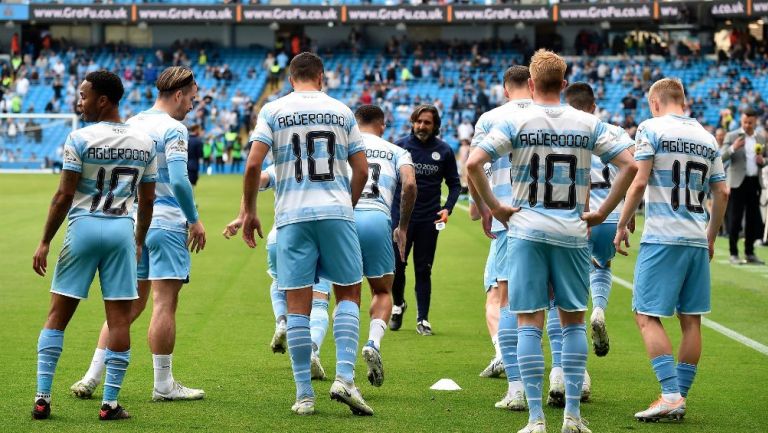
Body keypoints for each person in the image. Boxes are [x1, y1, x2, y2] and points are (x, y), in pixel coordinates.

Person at [467, 49, 637, 433]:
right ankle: (573, 417)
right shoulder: (587, 122)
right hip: (572, 231)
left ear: (530, 84)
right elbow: (629, 163)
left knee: (528, 322)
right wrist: (602, 211)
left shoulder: (516, 120)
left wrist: (495, 206)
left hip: (526, 231)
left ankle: (535, 419)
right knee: (573, 322)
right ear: (563, 83)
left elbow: (473, 163)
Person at [239, 52, 371, 416]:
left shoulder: (273, 110)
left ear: (290, 77)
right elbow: (361, 169)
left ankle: (304, 396)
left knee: (296, 306)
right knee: (348, 294)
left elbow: (253, 164)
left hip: (292, 218)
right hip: (336, 212)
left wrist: (249, 210)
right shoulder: (342, 111)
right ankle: (344, 378)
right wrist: (348, 203)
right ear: (322, 76)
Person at [69, 66, 207, 402]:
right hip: (167, 222)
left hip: (131, 224)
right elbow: (177, 179)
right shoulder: (174, 129)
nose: (192, 105)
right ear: (178, 95)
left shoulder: (133, 123)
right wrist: (195, 220)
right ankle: (163, 384)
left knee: (127, 306)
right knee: (164, 303)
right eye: (191, 98)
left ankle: (90, 377)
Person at [31, 70, 157, 421]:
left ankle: (42, 397)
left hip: (83, 227)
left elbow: (63, 196)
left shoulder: (80, 138)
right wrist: (138, 241)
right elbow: (147, 202)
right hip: (120, 229)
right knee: (118, 321)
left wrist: (44, 241)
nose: (79, 101)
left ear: (103, 100)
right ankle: (110, 404)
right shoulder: (146, 143)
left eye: (84, 95)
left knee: (58, 315)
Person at [614, 78, 729, 422]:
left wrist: (622, 222)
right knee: (690, 321)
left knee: (645, 314)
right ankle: (677, 396)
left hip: (663, 235)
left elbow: (638, 180)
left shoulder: (651, 128)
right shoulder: (708, 138)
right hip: (696, 236)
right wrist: (710, 236)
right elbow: (722, 193)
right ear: (683, 99)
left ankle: (669, 394)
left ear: (655, 102)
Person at [223, 165, 332, 379]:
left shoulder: (283, 161)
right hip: (319, 235)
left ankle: (282, 322)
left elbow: (256, 178)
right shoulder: (333, 162)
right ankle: (311, 349)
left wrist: (242, 215)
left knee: (279, 282)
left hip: (280, 235)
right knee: (319, 300)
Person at [467, 66, 532, 414]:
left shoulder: (491, 118)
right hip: (551, 218)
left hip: (509, 216)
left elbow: (474, 166)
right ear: (533, 85)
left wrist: (485, 207)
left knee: (505, 299)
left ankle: (517, 388)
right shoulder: (550, 113)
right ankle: (571, 378)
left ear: (506, 89)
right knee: (558, 303)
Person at [564, 82, 636, 357]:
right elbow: (635, 169)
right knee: (602, 266)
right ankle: (599, 309)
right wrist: (627, 214)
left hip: (574, 216)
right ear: (594, 106)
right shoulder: (615, 132)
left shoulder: (563, 132)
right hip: (609, 214)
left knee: (569, 285)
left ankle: (574, 367)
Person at [353, 104, 417, 387]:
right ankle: (373, 342)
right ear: (383, 125)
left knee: (344, 291)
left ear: (355, 123)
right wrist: (402, 227)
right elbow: (411, 185)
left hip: (344, 216)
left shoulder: (345, 145)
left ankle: (320, 351)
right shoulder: (396, 150)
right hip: (377, 218)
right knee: (381, 290)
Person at [389, 104, 461, 335]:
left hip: (429, 221)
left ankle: (423, 319)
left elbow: (454, 184)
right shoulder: (399, 147)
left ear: (435, 125)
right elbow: (389, 181)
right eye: (418, 121)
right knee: (396, 268)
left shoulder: (445, 151)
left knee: (423, 269)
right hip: (400, 220)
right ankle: (398, 304)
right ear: (412, 122)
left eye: (427, 122)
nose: (421, 126)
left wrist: (447, 208)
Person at [721, 107, 767, 264]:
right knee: (735, 218)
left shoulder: (761, 138)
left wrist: (763, 161)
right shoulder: (732, 135)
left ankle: (750, 253)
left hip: (754, 182)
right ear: (741, 120)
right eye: (745, 122)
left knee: (752, 219)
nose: (747, 125)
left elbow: (766, 158)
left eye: (750, 122)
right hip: (737, 183)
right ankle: (733, 253)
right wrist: (734, 147)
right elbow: (721, 156)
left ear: (755, 122)